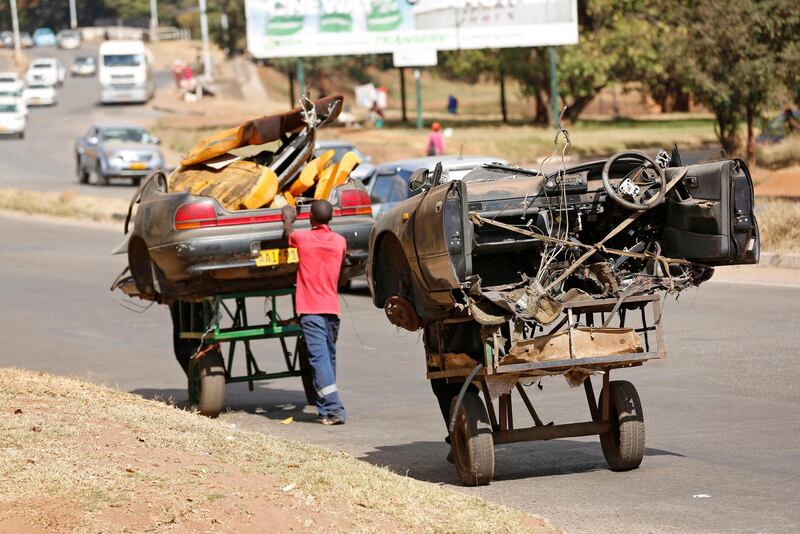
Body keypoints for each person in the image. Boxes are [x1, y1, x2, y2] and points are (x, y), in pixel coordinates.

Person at [282, 200, 348, 425]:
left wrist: (288, 219)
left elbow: (288, 235)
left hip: (310, 311)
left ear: (310, 218)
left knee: (319, 360)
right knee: (328, 359)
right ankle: (324, 409)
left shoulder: (303, 238)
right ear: (330, 219)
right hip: (332, 310)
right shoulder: (340, 242)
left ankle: (335, 409)